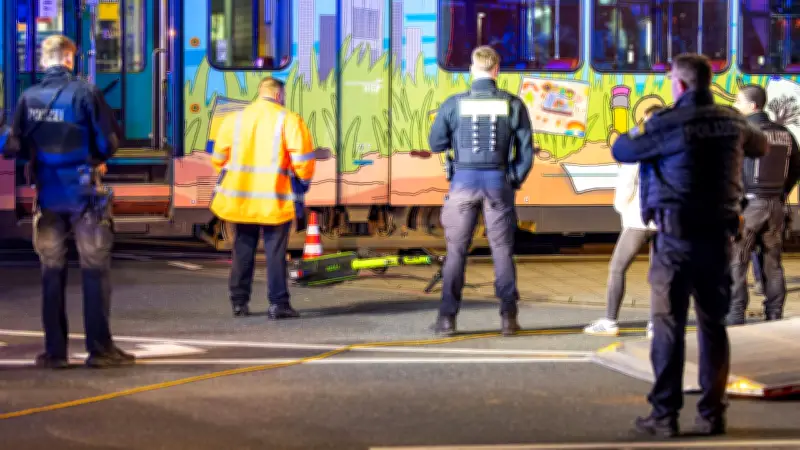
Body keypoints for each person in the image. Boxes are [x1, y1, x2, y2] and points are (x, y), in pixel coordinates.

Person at [612, 53, 768, 437]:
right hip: (719, 237)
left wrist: (639, 130)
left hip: (675, 238)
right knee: (713, 326)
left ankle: (664, 415)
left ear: (679, 84)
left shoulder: (665, 122)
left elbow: (622, 152)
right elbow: (760, 147)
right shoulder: (733, 121)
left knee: (669, 325)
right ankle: (713, 414)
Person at [9, 35, 133, 369]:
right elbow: (109, 142)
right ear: (69, 58)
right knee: (94, 270)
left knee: (51, 272)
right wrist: (95, 155)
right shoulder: (85, 92)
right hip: (84, 195)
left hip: (48, 195)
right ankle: (100, 350)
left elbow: (12, 145)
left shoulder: (28, 96)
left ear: (43, 59)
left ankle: (54, 352)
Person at [428, 46, 535, 336]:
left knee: (456, 253)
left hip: (462, 182)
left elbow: (436, 143)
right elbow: (526, 152)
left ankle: (447, 319)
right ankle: (508, 319)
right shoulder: (513, 104)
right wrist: (512, 177)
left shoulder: (454, 104)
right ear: (496, 70)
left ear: (472, 70)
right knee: (502, 251)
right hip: (498, 182)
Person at [210, 77, 316, 319]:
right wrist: (303, 182)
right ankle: (278, 304)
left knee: (242, 248)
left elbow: (218, 158)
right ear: (279, 95)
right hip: (274, 200)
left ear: (260, 93)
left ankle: (239, 302)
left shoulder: (233, 120)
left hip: (241, 199)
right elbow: (303, 162)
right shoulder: (289, 120)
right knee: (276, 252)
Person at [584, 105, 662, 338]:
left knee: (618, 267)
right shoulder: (674, 149)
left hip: (638, 217)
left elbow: (627, 183)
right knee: (659, 273)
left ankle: (610, 321)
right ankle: (655, 324)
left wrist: (622, 208)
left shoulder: (639, 149)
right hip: (665, 219)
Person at [728, 85, 800, 325]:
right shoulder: (786, 134)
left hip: (749, 207)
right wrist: (781, 194)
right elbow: (795, 170)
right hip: (775, 207)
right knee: (773, 263)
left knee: (737, 260)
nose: (736, 106)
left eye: (739, 102)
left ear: (752, 106)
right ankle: (774, 315)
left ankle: (736, 314)